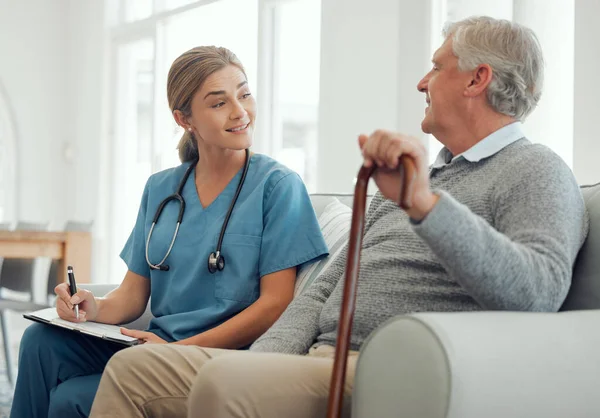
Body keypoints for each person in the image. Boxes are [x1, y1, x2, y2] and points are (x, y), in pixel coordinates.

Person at [88, 16, 589, 418]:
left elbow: (537, 293)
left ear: (478, 79)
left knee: (222, 382)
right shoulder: (414, 182)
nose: (421, 81)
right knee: (136, 370)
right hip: (315, 362)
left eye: (436, 68)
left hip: (384, 365)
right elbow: (327, 291)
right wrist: (263, 363)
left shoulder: (535, 170)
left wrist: (426, 207)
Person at [9, 46, 329, 418]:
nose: (240, 112)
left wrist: (181, 348)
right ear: (184, 119)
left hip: (218, 355)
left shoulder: (277, 186)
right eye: (219, 103)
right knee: (40, 341)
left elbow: (276, 304)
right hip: (154, 345)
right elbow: (133, 294)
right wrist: (93, 306)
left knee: (73, 398)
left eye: (244, 94)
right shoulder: (161, 189)